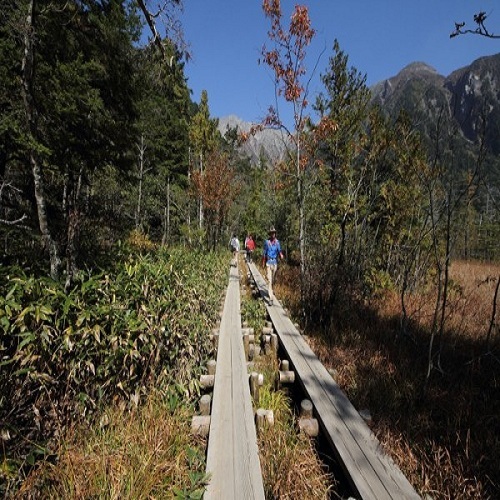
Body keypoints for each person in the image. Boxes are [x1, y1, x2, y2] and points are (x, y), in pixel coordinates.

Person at [262, 227, 283, 305]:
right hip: (268, 262)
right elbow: (264, 253)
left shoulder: (277, 242)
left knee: (273, 280)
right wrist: (263, 262)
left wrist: (281, 255)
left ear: (275, 233)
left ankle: (271, 290)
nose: (273, 234)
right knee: (269, 280)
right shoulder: (267, 242)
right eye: (271, 233)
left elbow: (279, 250)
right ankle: (271, 298)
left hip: (274, 263)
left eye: (274, 233)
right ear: (270, 234)